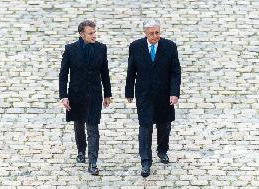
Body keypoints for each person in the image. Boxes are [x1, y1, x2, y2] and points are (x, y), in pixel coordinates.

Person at [125, 19, 181, 177]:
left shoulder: (170, 46)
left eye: (157, 32)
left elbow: (175, 71)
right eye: (151, 33)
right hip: (144, 94)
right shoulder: (135, 47)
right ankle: (145, 161)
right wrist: (129, 91)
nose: (155, 36)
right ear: (145, 33)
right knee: (145, 127)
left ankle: (162, 150)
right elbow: (131, 70)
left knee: (165, 125)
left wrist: (174, 93)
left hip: (164, 94)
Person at [59, 20, 112, 176]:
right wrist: (63, 96)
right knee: (79, 124)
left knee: (93, 128)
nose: (94, 35)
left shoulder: (101, 49)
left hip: (95, 94)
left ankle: (93, 162)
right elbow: (63, 74)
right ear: (82, 34)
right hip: (76, 94)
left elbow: (105, 72)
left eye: (95, 32)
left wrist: (107, 93)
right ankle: (81, 150)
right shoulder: (70, 50)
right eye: (90, 33)